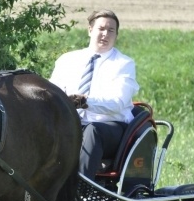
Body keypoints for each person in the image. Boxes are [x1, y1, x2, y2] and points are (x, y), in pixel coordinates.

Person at [49, 10, 139, 179]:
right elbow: (53, 94)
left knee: (92, 130)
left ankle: (82, 188)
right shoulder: (67, 60)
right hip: (72, 124)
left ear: (116, 35)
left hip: (110, 128)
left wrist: (83, 102)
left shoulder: (123, 64)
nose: (105, 34)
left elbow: (118, 102)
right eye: (101, 29)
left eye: (111, 30)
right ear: (90, 30)